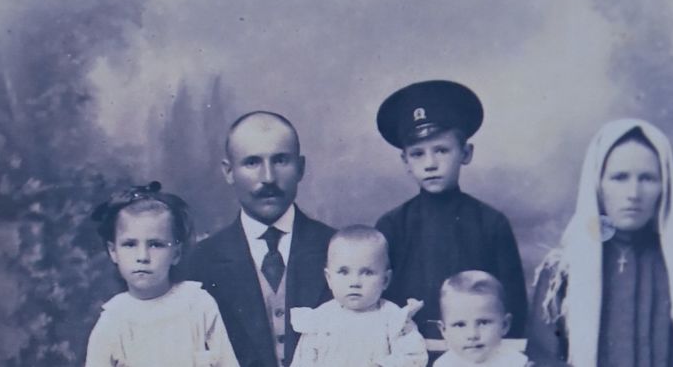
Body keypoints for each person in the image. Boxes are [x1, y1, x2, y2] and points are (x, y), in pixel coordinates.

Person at [525, 119, 673, 367]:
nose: (633, 194)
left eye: (647, 178)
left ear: (665, 186)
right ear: (598, 185)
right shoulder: (562, 274)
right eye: (619, 178)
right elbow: (543, 360)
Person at [374, 80, 528, 342]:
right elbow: (378, 304)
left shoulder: (491, 223)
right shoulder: (392, 226)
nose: (431, 163)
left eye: (442, 150)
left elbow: (514, 308)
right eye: (418, 154)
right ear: (406, 162)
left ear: (465, 153)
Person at [188, 111, 335, 367]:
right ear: (229, 171)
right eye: (252, 162)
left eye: (280, 160)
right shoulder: (199, 262)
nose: (268, 177)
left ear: (300, 168)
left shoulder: (337, 249)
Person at [85, 181, 239, 367]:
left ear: (176, 253)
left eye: (155, 244)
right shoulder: (113, 321)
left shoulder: (197, 303)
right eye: (130, 245)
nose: (142, 257)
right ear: (113, 251)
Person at [289, 225, 428, 367]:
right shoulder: (319, 319)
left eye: (367, 272)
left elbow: (414, 358)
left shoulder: (394, 318)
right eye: (344, 272)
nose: (354, 282)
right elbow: (302, 362)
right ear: (329, 278)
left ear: (385, 280)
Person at [435, 271, 528, 367]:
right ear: (444, 330)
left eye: (483, 323)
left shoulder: (516, 363)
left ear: (504, 325)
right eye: (460, 325)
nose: (472, 334)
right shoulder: (444, 364)